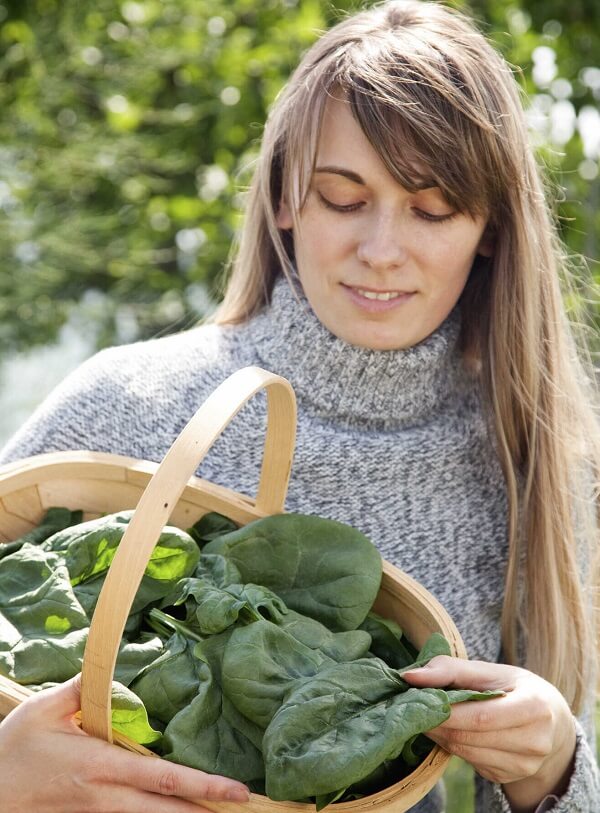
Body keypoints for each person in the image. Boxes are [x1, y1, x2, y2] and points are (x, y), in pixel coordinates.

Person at [0, 1, 598, 811]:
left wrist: (553, 763)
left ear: (490, 229)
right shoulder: (126, 404)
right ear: (285, 197)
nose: (381, 249)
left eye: (432, 210)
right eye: (344, 199)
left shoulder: (532, 463)